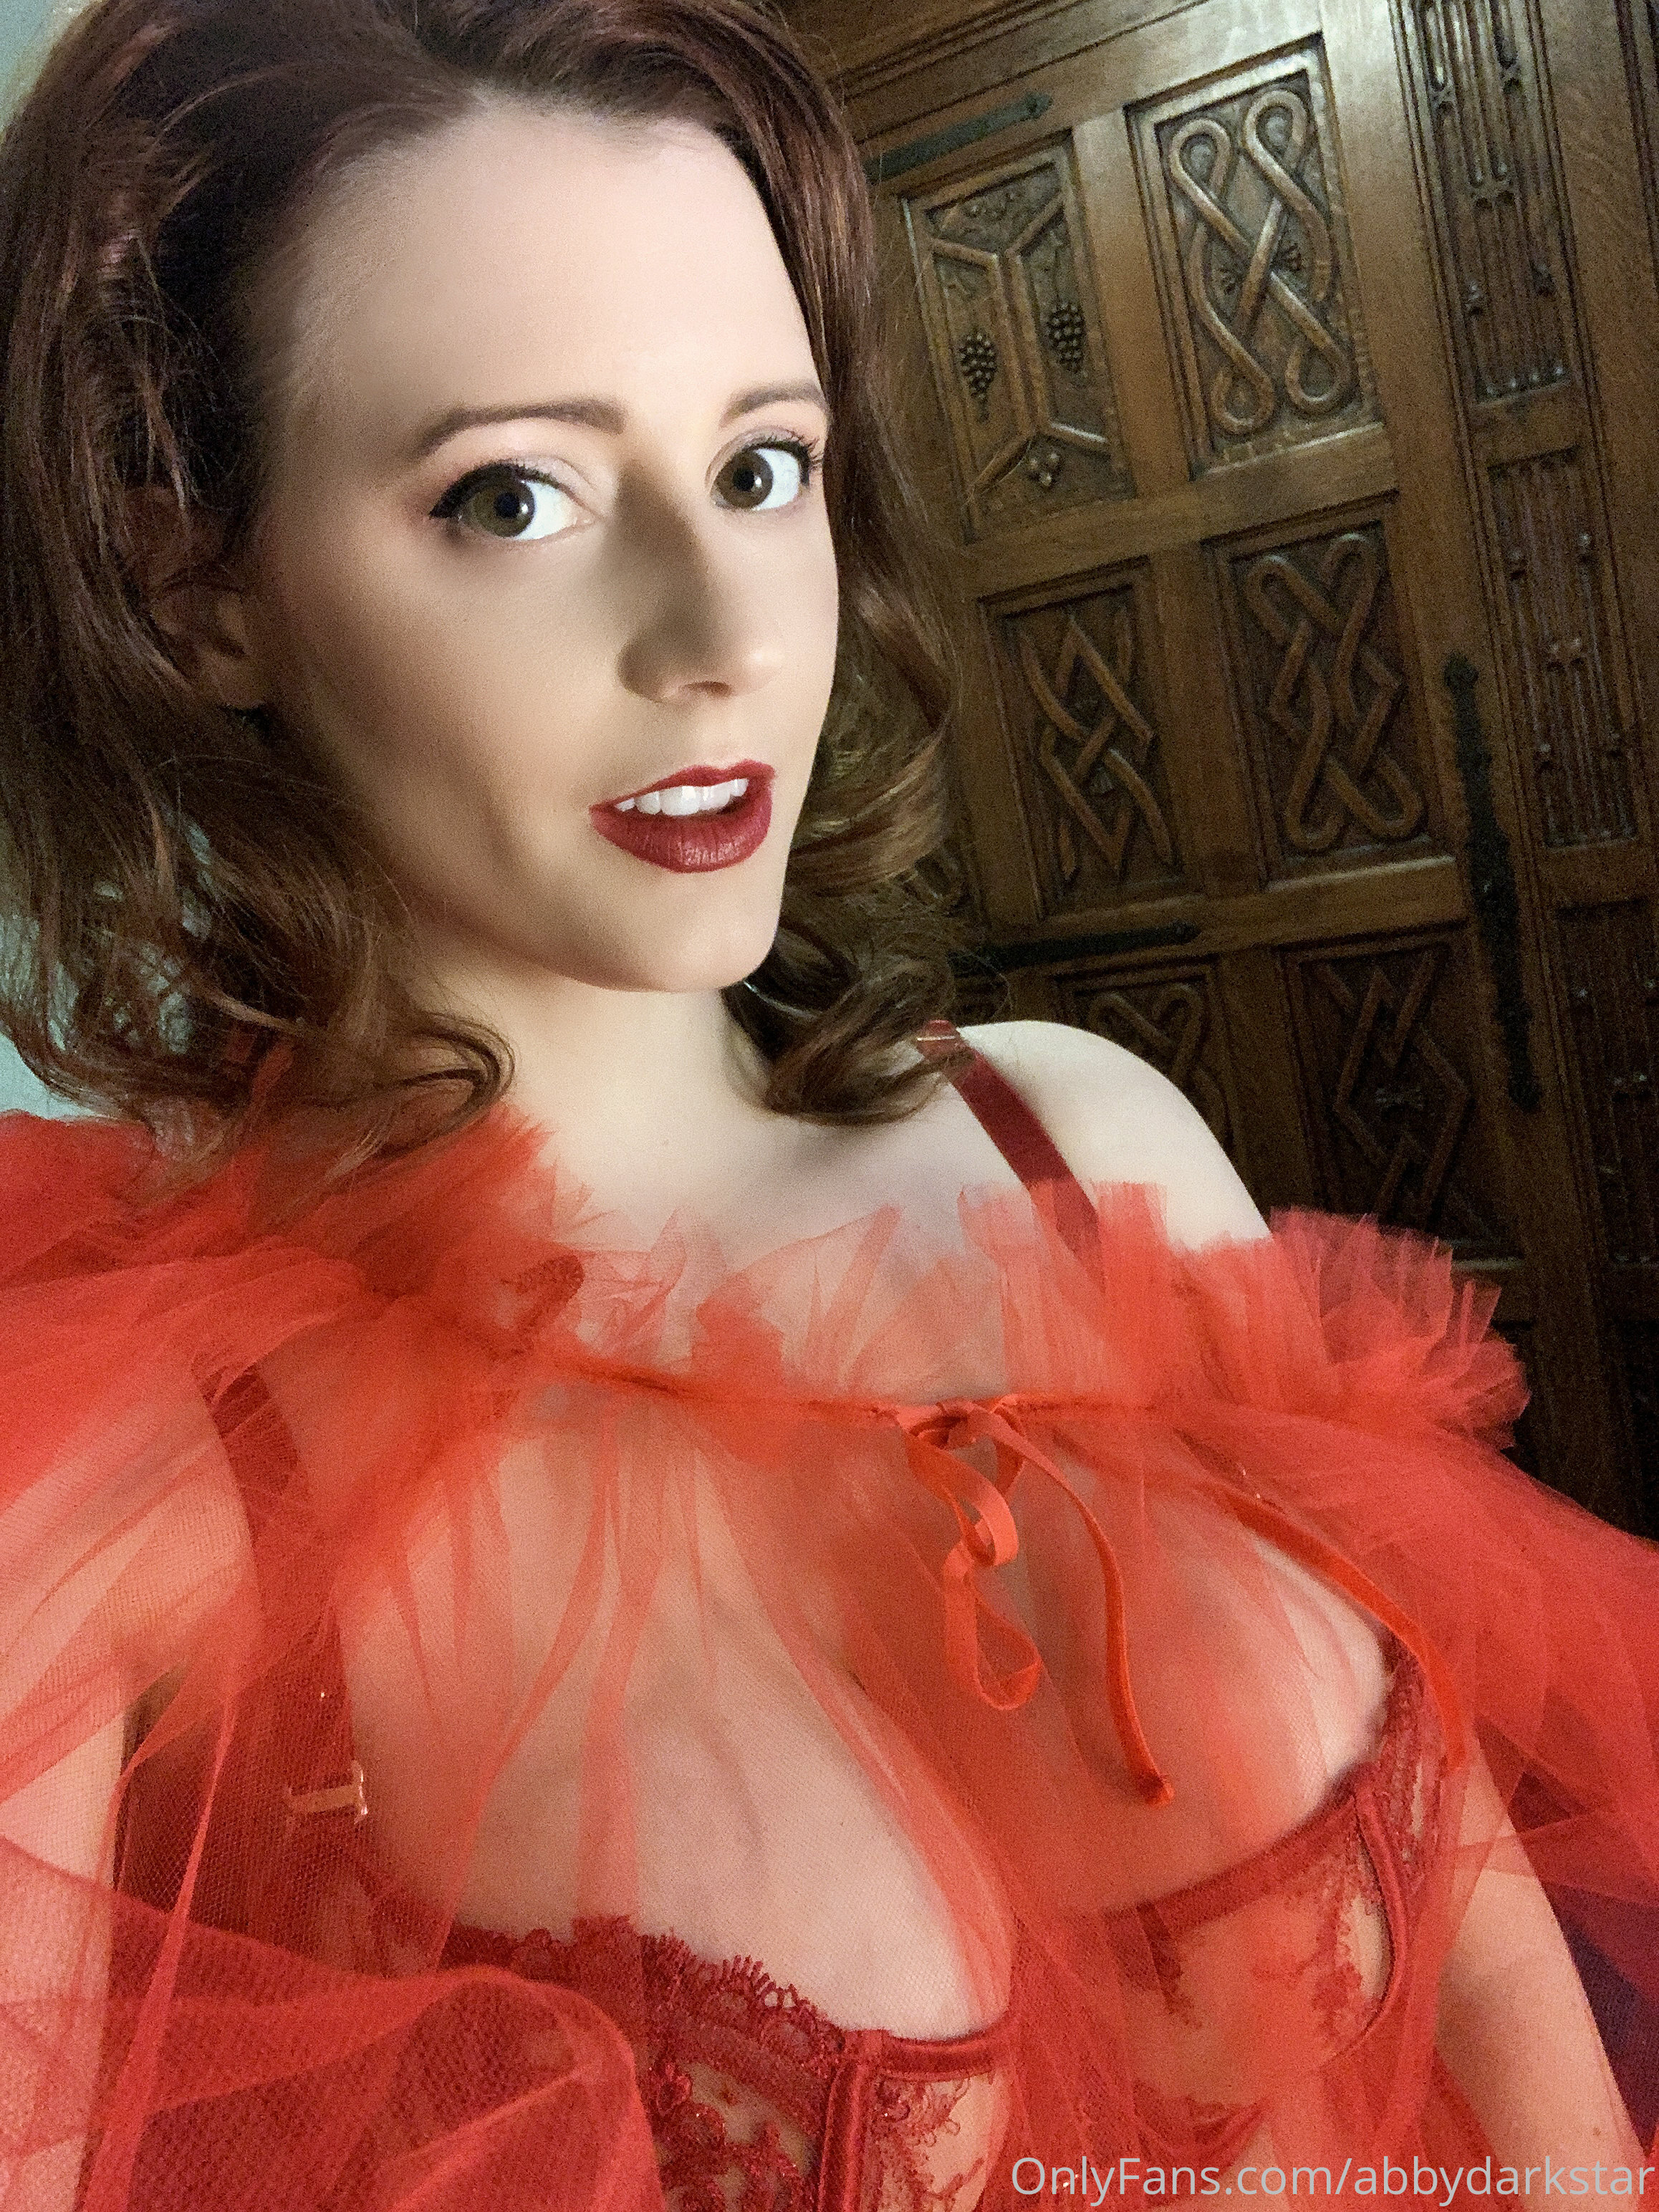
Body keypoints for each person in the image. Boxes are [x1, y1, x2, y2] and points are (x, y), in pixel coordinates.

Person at [0, 1, 1655, 2205]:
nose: (721, 634)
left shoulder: (1080, 1151)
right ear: (194, 589)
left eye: (762, 465)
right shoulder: (138, 1463)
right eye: (513, 496)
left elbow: (1505, 2027)